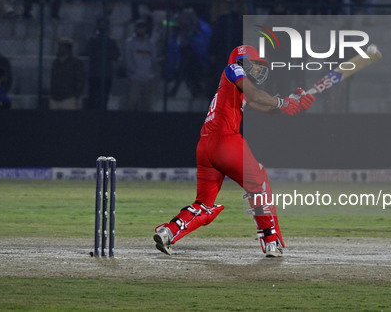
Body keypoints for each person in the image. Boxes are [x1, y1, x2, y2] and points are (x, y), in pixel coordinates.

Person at [153, 45, 315, 257]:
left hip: (205, 147)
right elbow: (256, 95)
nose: (258, 70)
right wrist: (282, 101)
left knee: (204, 205)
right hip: (225, 142)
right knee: (259, 183)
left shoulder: (236, 86)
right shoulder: (233, 69)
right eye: (255, 65)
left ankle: (168, 232)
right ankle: (271, 242)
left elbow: (268, 108)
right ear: (242, 62)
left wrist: (293, 102)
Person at [81, 18, 120, 110]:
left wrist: (105, 53)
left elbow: (116, 55)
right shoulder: (92, 40)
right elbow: (89, 52)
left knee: (104, 99)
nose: (103, 27)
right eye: (101, 25)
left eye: (104, 25)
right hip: (94, 73)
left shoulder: (111, 42)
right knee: (92, 98)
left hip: (106, 75)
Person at [123, 20, 159, 111]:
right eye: (139, 27)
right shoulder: (129, 43)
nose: (141, 30)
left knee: (147, 105)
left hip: (148, 78)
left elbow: (154, 59)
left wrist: (152, 73)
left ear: (146, 29)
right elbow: (128, 59)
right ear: (135, 29)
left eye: (143, 28)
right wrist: (132, 72)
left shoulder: (151, 44)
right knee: (131, 103)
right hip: (135, 78)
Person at [50, 38, 85, 109]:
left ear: (68, 49)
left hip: (68, 98)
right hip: (55, 98)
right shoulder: (56, 62)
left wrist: (75, 96)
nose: (59, 49)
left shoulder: (76, 63)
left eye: (62, 47)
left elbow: (80, 80)